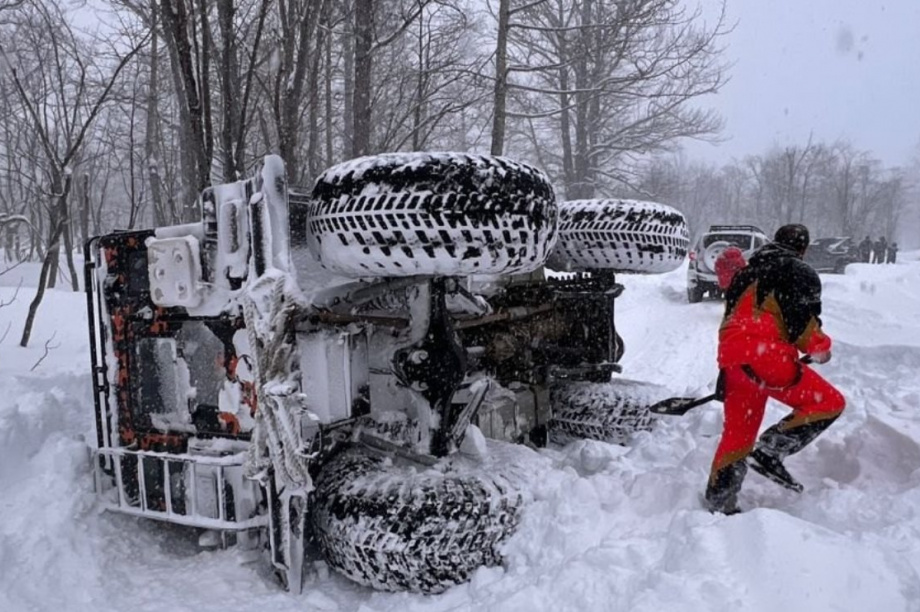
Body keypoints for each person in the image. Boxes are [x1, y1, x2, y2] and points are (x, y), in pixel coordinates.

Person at [705, 224, 846, 515]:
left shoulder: (745, 273)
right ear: (803, 249)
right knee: (829, 403)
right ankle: (770, 450)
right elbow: (802, 326)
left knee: (738, 435)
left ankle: (720, 502)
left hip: (732, 360)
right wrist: (820, 349)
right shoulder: (798, 271)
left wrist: (730, 371)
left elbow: (733, 319)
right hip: (767, 358)